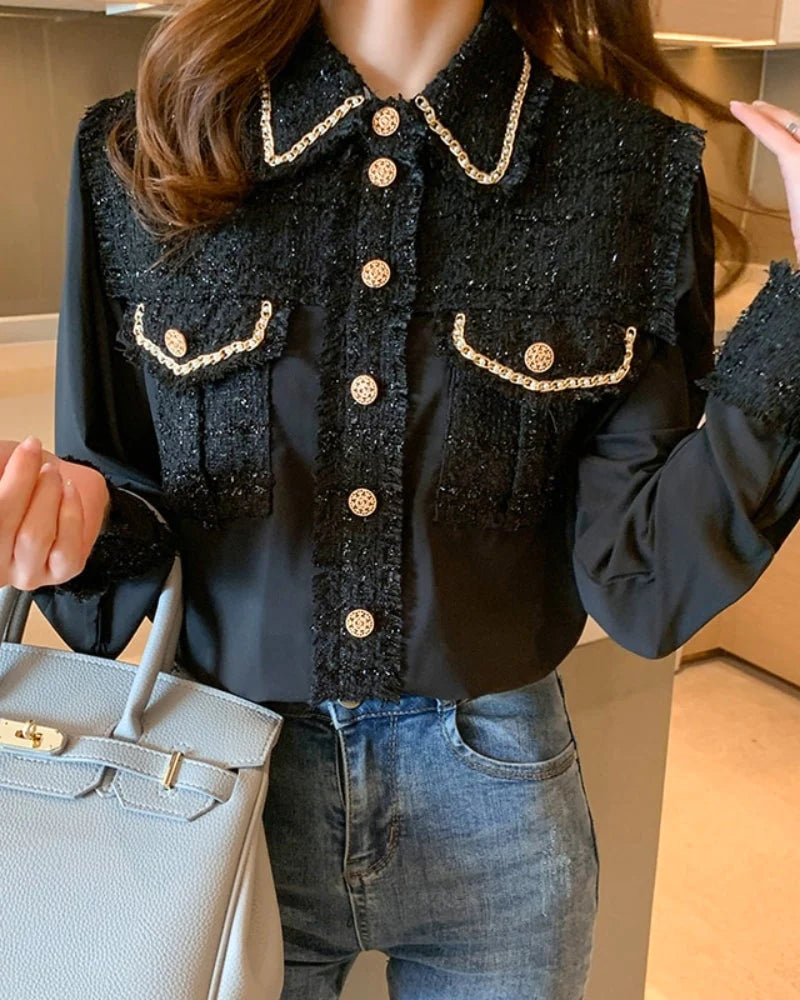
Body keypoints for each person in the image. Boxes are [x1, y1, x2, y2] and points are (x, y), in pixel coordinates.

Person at [3, 0, 800, 996]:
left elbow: (642, 581)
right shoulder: (150, 147)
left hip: (500, 807)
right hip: (214, 789)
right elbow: (124, 510)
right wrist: (67, 530)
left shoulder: (626, 171)